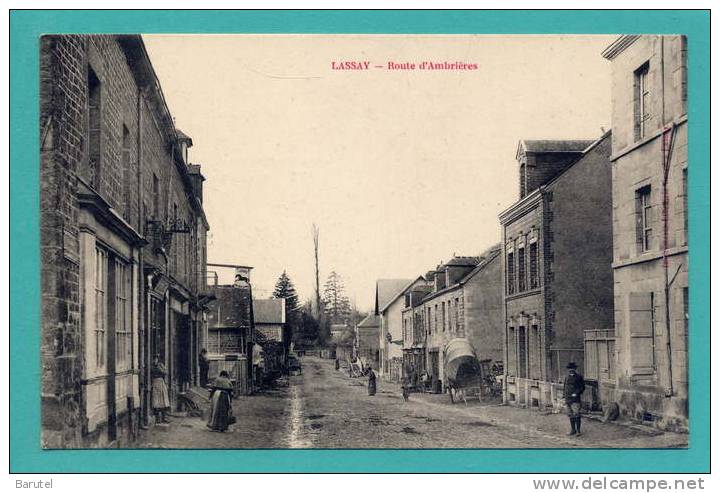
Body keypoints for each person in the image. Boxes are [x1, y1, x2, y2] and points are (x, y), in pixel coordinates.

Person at [563, 362, 586, 436]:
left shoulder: (579, 377)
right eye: (569, 369)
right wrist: (564, 395)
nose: (571, 370)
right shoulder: (566, 377)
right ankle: (573, 430)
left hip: (575, 399)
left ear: (575, 369)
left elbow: (582, 387)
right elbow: (565, 387)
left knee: (576, 414)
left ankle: (578, 431)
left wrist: (576, 393)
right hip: (568, 398)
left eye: (572, 369)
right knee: (570, 414)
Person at [151, 355, 171, 424]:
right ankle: (157, 418)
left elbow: (165, 372)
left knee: (163, 401)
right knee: (156, 401)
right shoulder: (152, 366)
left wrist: (160, 368)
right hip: (155, 383)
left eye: (156, 359)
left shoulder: (160, 365)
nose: (155, 360)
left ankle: (164, 417)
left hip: (161, 383)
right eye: (154, 359)